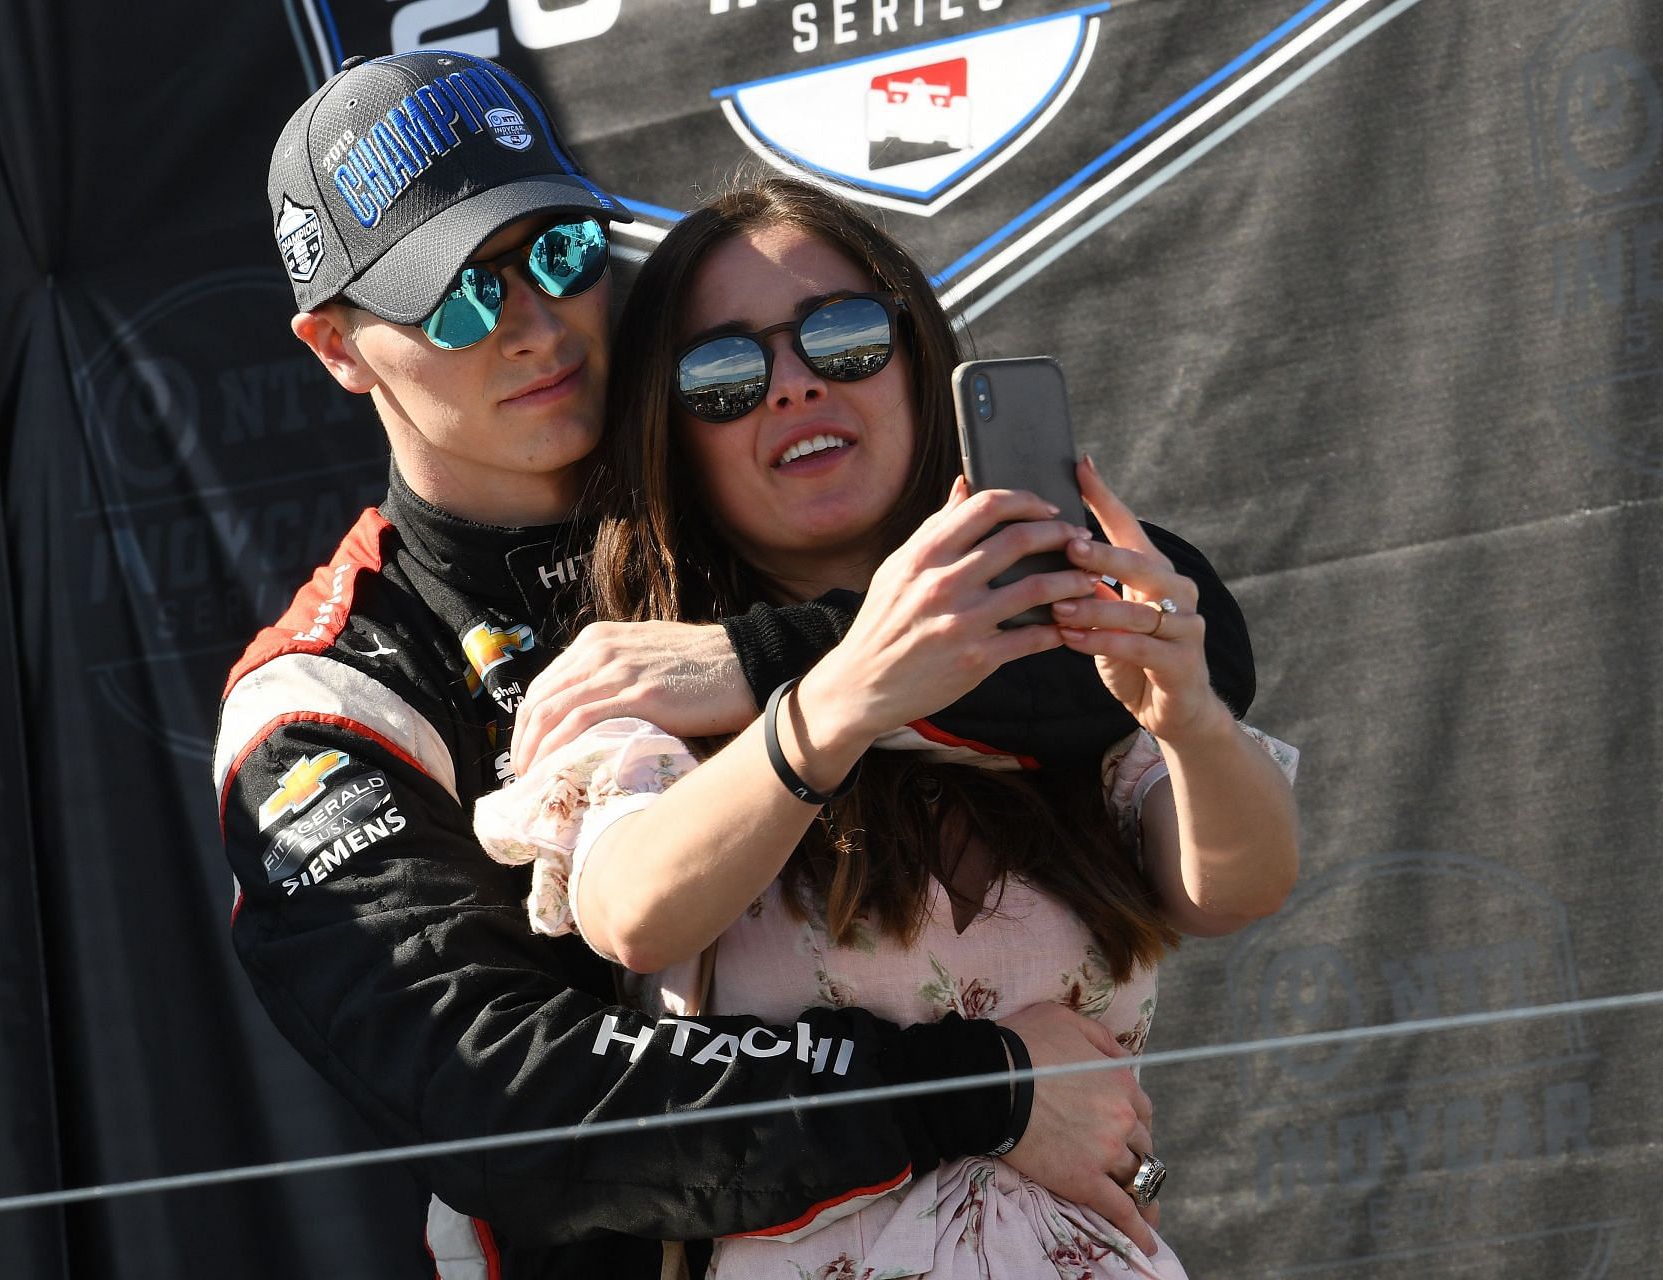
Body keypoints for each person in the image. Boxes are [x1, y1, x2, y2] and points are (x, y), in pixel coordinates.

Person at [219, 51, 1256, 1279]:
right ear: (338, 349)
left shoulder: (741, 475)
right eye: (454, 300)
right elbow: (509, 1099)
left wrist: (761, 659)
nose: (533, 327)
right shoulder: (331, 697)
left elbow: (1175, 622)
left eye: (555, 257)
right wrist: (981, 1090)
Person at [475, 176, 1300, 1277]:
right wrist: (845, 688)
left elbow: (1235, 889)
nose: (792, 387)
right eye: (723, 373)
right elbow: (634, 911)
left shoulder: (1056, 647)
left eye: (845, 335)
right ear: (671, 435)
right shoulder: (647, 673)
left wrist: (1190, 718)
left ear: (920, 360)